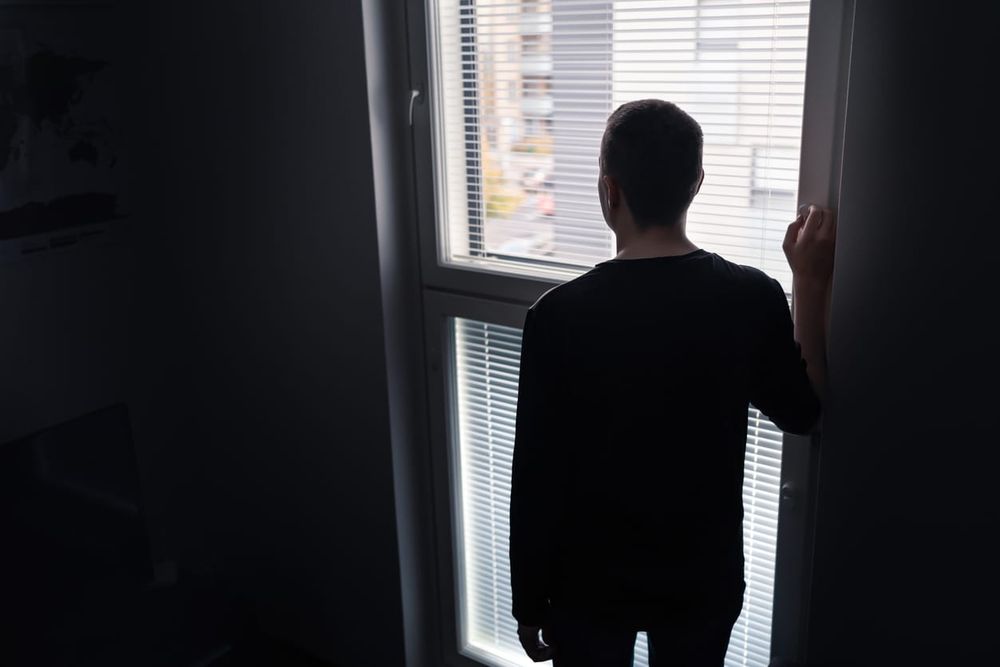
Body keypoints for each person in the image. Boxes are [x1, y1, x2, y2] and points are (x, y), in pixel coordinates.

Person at [508, 99, 835, 666]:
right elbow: (805, 412)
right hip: (700, 577)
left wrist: (529, 600)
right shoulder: (749, 297)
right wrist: (808, 281)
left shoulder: (557, 316)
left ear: (609, 191)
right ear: (697, 183)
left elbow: (537, 473)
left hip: (588, 581)